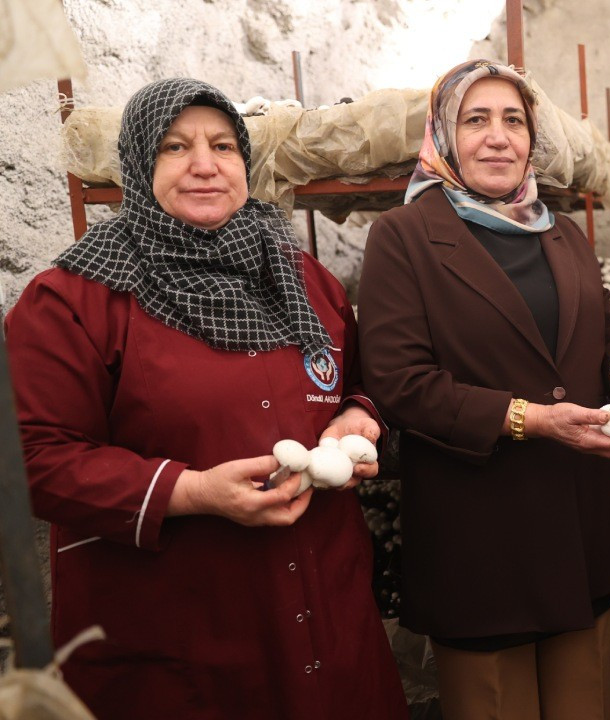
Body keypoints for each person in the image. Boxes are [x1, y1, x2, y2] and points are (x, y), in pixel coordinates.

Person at [5, 78, 406, 719]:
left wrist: (358, 417)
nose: (204, 164)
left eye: (224, 145)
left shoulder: (302, 278)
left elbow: (358, 381)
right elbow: (32, 457)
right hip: (183, 626)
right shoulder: (73, 300)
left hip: (325, 606)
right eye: (174, 146)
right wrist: (190, 492)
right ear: (139, 164)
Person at [356, 59, 610, 720]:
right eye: (476, 120)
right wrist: (531, 419)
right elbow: (398, 381)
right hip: (481, 541)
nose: (497, 137)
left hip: (578, 532)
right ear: (444, 134)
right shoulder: (404, 238)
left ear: (533, 138)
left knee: (587, 702)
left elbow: (607, 332)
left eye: (513, 121)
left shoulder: (561, 233)